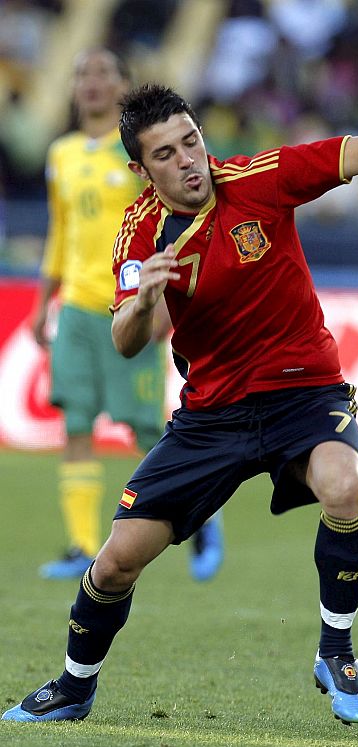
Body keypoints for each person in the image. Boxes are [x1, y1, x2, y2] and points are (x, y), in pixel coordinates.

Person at [2, 83, 358, 726]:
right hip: (212, 415)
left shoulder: (262, 178)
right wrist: (144, 300)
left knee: (346, 486)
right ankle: (74, 684)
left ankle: (335, 651)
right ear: (141, 170)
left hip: (303, 394)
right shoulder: (139, 231)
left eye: (192, 140)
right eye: (166, 154)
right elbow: (124, 340)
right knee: (114, 563)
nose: (189, 160)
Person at [31, 48, 224, 583]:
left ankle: (204, 516)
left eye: (103, 74)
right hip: (74, 307)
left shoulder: (140, 156)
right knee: (74, 421)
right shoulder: (62, 154)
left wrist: (159, 301)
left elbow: (166, 223)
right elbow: (60, 231)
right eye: (82, 74)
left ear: (122, 86)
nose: (91, 83)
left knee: (144, 428)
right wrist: (41, 302)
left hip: (129, 306)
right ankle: (80, 545)